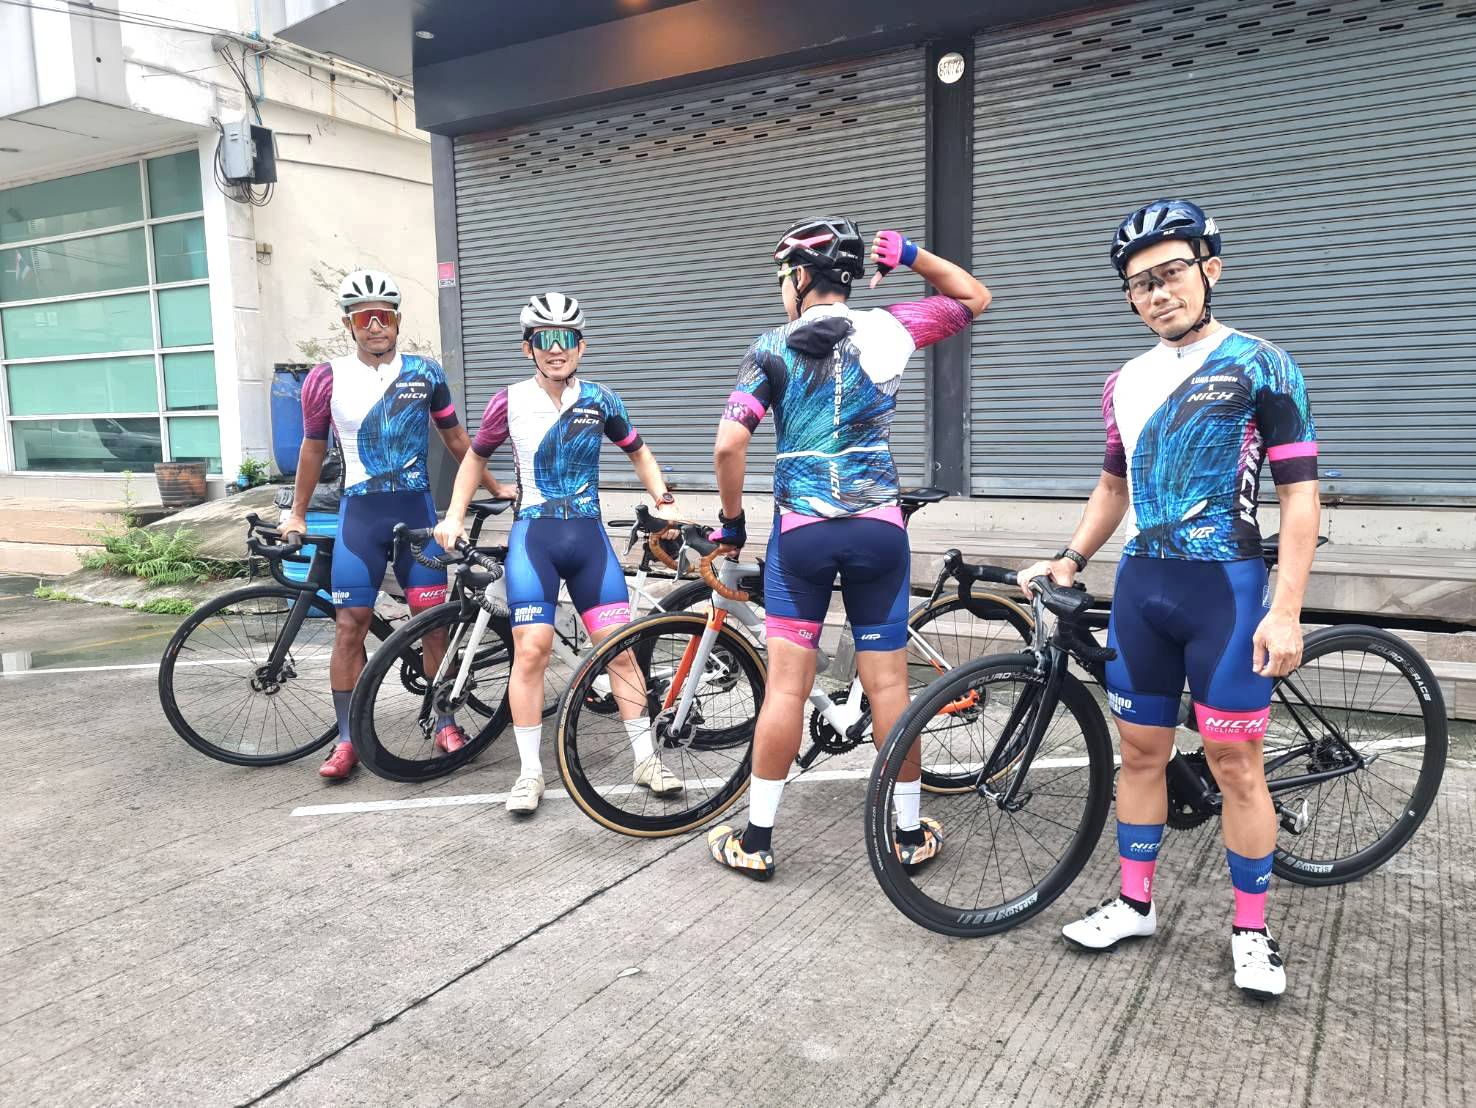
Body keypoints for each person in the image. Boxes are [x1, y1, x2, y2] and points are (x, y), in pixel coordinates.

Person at [1015, 199, 1320, 999]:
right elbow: (1113, 487)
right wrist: (1070, 558)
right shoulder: (1123, 382)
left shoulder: (1262, 364)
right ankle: (1134, 903)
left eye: (1172, 272)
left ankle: (1250, 931)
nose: (1158, 292)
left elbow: (1300, 496)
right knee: (1141, 754)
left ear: (1209, 270)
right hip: (1143, 589)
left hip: (1227, 591)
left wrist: (1286, 609)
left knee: (1235, 763)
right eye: (1140, 283)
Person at [705, 217, 990, 880]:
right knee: (889, 686)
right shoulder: (891, 327)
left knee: (787, 687)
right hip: (878, 530)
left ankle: (756, 840)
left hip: (801, 535)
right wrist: (912, 254)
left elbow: (728, 445)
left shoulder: (770, 348)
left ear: (802, 278)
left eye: (784, 277)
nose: (782, 289)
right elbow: (975, 296)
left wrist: (731, 523)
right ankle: (909, 834)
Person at [434, 292, 686, 815]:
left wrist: (663, 499)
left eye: (566, 339)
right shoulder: (508, 401)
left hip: (589, 540)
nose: (556, 349)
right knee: (532, 651)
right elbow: (473, 459)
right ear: (528, 347)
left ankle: (645, 760)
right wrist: (454, 515)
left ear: (581, 346)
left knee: (619, 649)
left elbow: (638, 451)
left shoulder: (601, 399)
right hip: (535, 541)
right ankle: (530, 772)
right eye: (545, 339)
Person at [279, 268, 512, 781]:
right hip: (360, 519)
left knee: (434, 624)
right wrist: (296, 511)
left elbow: (457, 439)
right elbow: (312, 448)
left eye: (383, 316)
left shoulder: (425, 373)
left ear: (398, 321)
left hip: (417, 518)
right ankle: (347, 740)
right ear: (349, 324)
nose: (375, 326)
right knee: (350, 625)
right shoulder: (325, 378)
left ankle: (445, 720)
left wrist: (494, 487)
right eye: (365, 317)